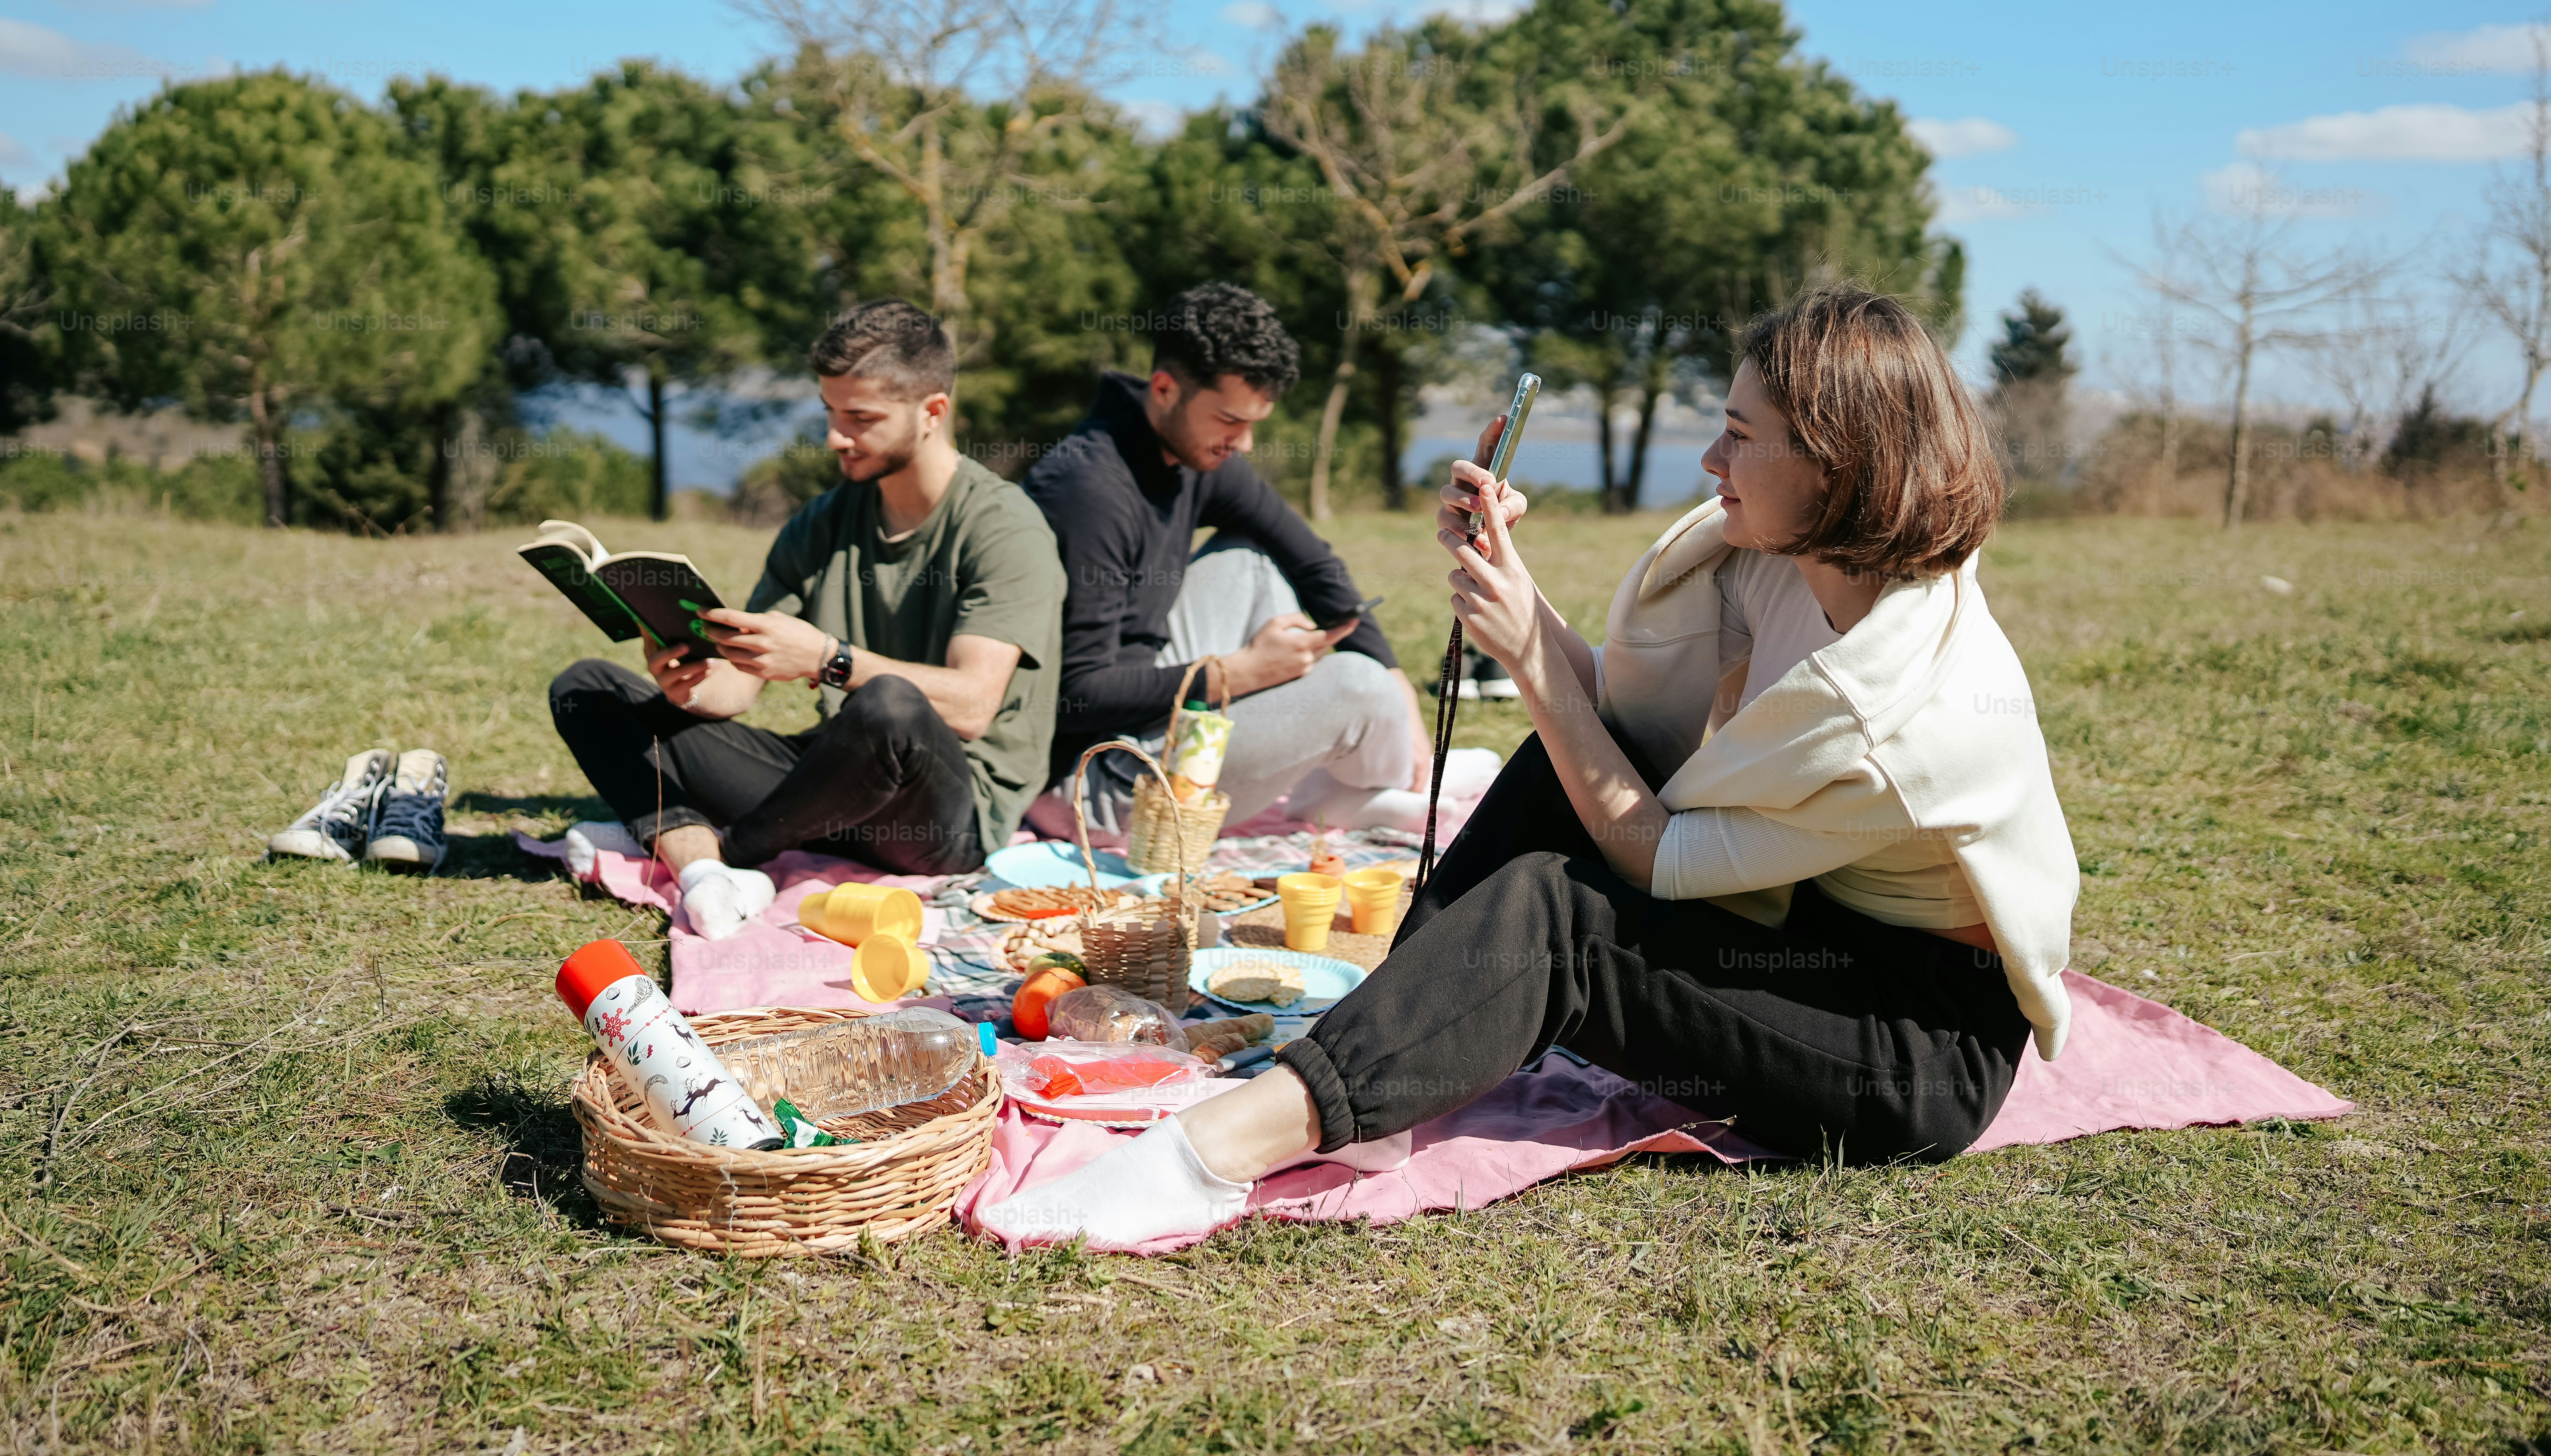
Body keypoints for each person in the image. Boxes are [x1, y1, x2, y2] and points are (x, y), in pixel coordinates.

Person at [985, 286, 2079, 1249]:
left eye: (1740, 436)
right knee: (1561, 770)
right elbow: (1621, 720)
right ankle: (1386, 1076)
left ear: (1836, 465)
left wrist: (1528, 654)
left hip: (1907, 1046)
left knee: (1566, 918)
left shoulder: (1901, 709)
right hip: (1815, 930)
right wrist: (1520, 591)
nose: (1711, 462)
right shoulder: (1791, 566)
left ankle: (1221, 1148)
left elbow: (1657, 858)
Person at [547, 300, 1067, 937]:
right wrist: (695, 681)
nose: (835, 438)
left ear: (933, 413)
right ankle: (703, 869)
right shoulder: (822, 523)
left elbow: (972, 706)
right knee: (586, 689)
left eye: (861, 419)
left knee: (891, 706)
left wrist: (829, 660)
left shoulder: (1006, 529)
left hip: (941, 818)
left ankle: (722, 852)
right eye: (830, 412)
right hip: (832, 787)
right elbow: (743, 685)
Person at [1021, 283, 1431, 830]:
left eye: (1253, 426)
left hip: (1152, 704)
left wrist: (1401, 682)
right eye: (1230, 422)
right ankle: (1374, 787)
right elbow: (1077, 692)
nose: (1244, 444)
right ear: (1165, 389)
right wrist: (1236, 675)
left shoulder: (1181, 448)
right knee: (1358, 683)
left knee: (1260, 558)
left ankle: (1369, 781)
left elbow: (1309, 559)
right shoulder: (1088, 490)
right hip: (1089, 779)